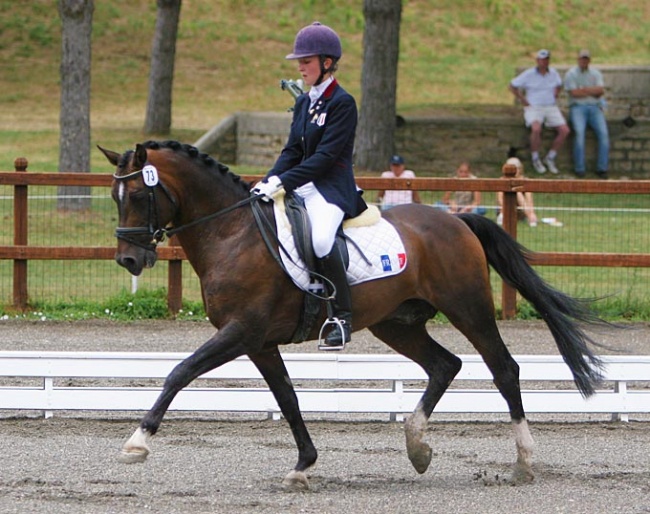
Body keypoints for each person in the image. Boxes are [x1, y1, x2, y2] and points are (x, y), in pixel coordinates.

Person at [250, 22, 367, 350]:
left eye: (307, 61)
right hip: (303, 185)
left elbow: (326, 157)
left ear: (327, 63)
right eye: (298, 62)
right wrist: (268, 180)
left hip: (331, 188)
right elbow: (292, 151)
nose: (300, 67)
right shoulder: (304, 103)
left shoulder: (343, 103)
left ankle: (342, 317)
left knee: (319, 239)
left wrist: (284, 182)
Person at [508, 49, 570, 175]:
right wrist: (523, 100)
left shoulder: (553, 73)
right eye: (542, 60)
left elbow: (559, 84)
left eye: (546, 59)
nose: (544, 62)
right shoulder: (529, 74)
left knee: (564, 130)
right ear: (537, 61)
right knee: (536, 129)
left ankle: (550, 157)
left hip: (550, 106)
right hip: (534, 107)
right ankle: (535, 157)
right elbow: (512, 85)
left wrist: (556, 93)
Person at [564, 49, 610, 179]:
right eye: (582, 59)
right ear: (578, 60)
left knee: (604, 134)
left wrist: (583, 90)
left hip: (595, 107)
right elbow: (574, 93)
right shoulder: (571, 74)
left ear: (589, 60)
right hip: (578, 107)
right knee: (579, 133)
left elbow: (600, 91)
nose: (584, 61)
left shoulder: (596, 73)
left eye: (586, 59)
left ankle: (602, 168)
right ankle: (579, 168)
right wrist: (592, 91)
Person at [497, 157, 538, 227]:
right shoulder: (502, 180)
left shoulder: (525, 180)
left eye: (516, 168)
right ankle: (530, 217)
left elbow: (529, 200)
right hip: (505, 209)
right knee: (517, 192)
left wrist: (532, 212)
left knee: (518, 192)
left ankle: (530, 216)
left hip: (521, 211)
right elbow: (500, 200)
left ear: (519, 169)